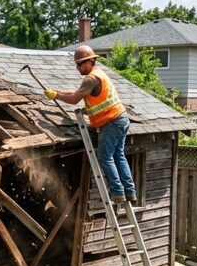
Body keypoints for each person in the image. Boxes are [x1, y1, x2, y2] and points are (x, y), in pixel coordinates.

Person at [44, 45, 136, 204]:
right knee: (118, 156)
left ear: (90, 61)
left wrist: (57, 96)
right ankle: (130, 191)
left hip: (111, 122)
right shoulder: (98, 75)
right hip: (121, 119)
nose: (77, 67)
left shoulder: (90, 79)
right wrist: (56, 91)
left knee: (105, 157)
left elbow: (74, 99)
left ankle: (117, 193)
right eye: (76, 64)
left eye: (80, 64)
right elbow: (76, 93)